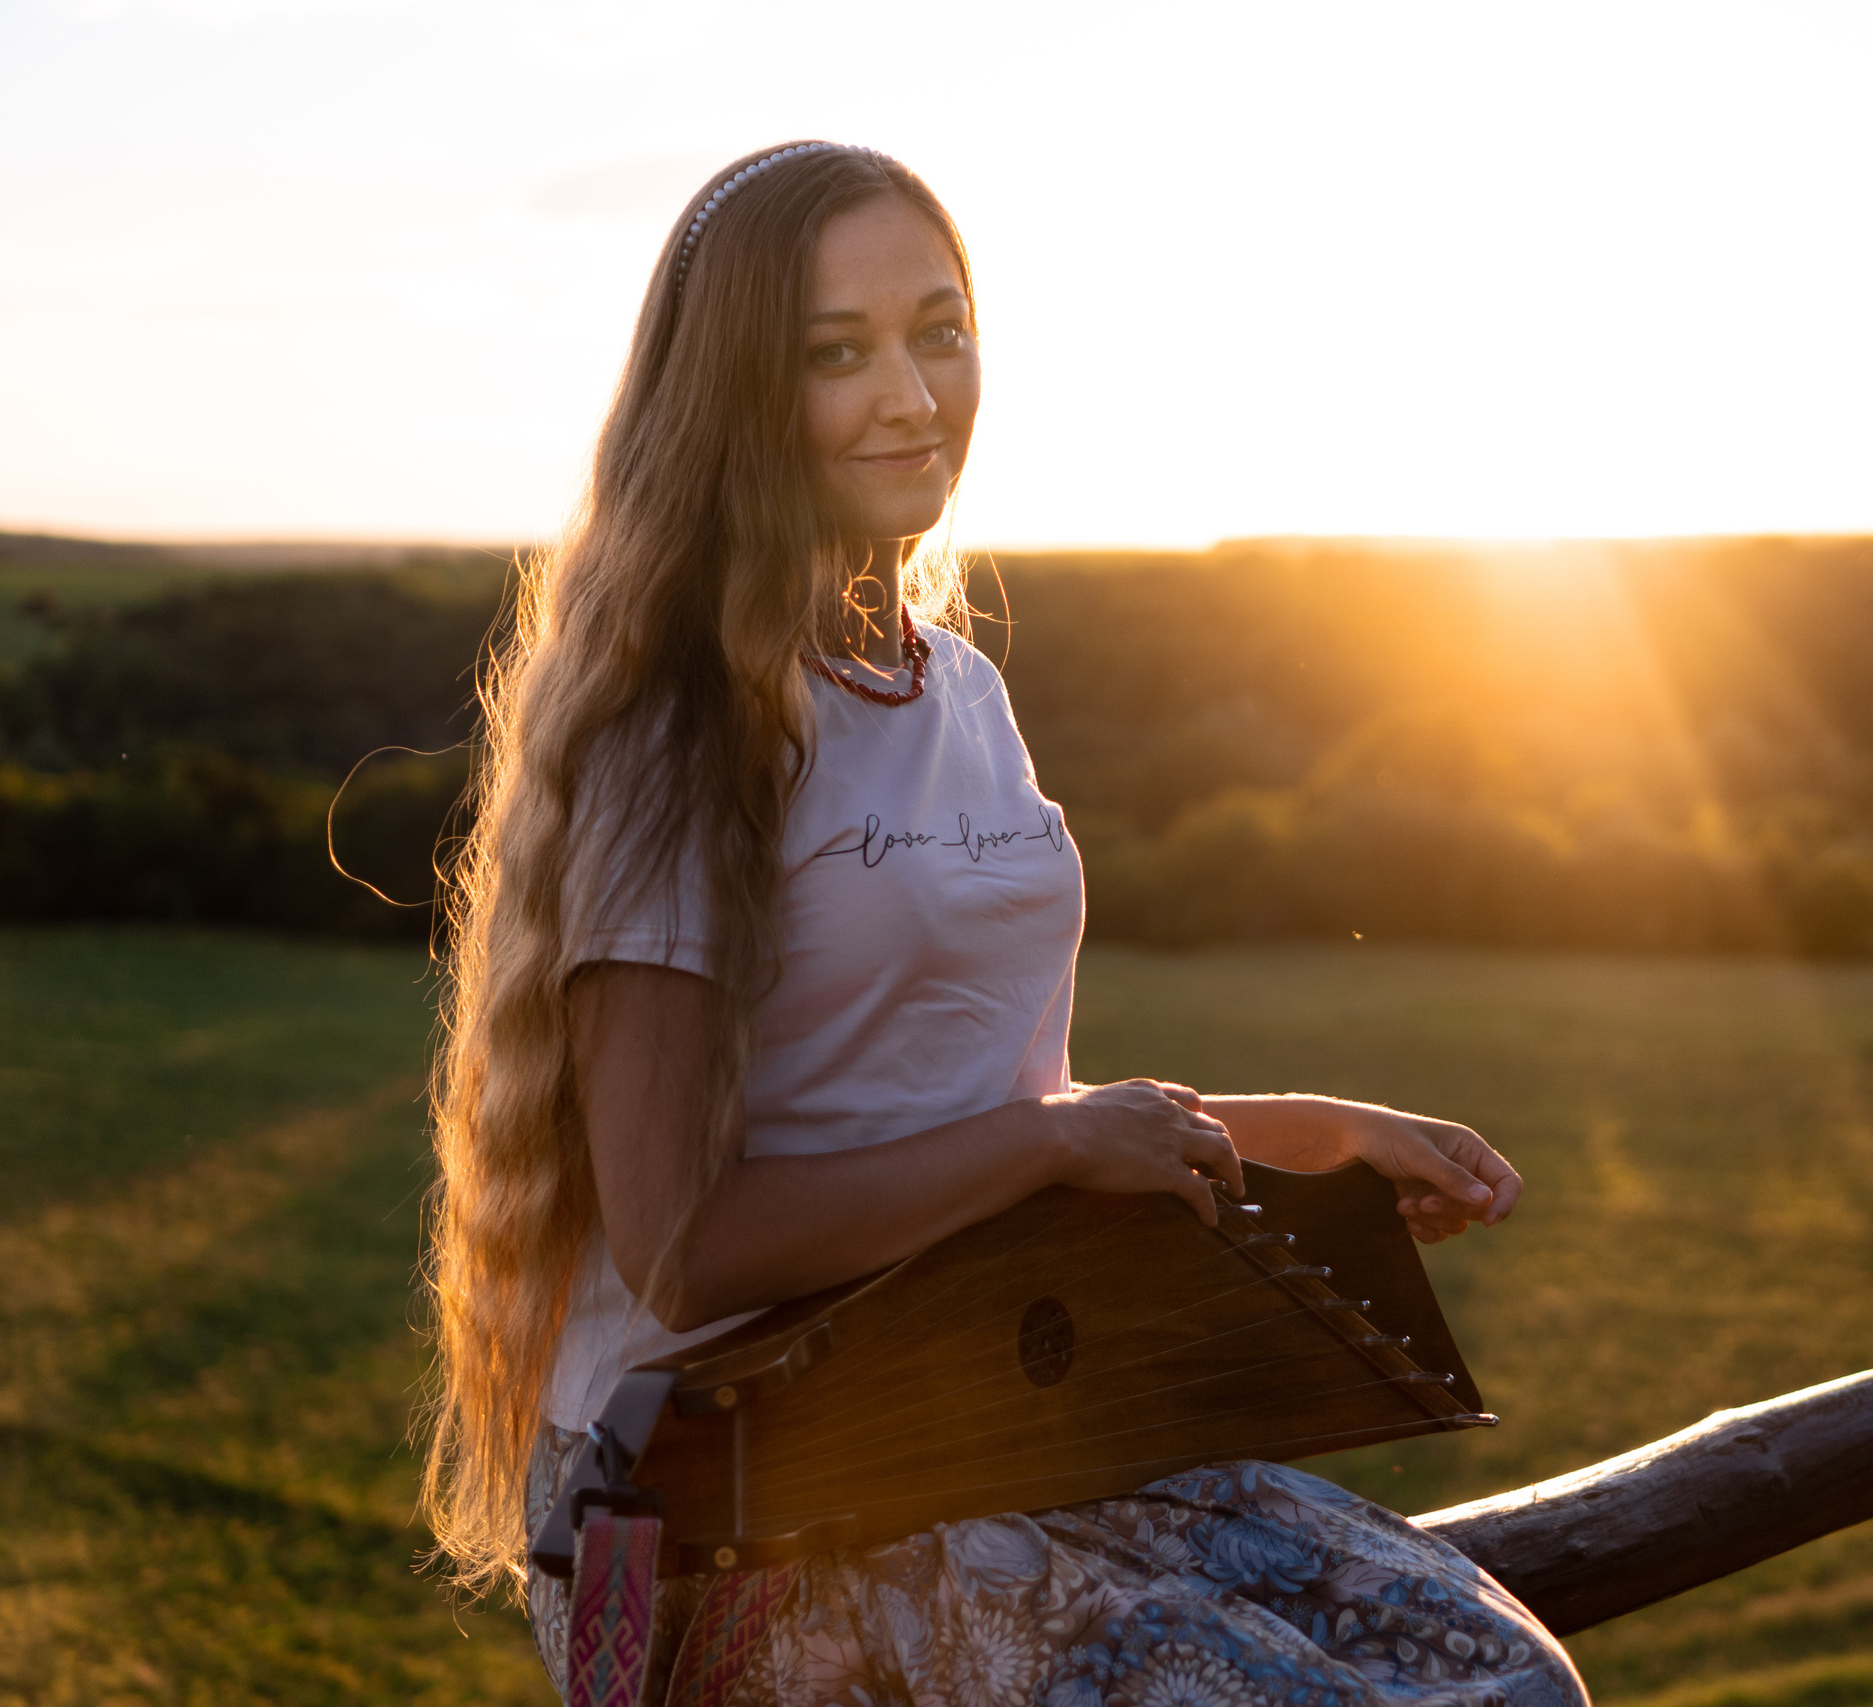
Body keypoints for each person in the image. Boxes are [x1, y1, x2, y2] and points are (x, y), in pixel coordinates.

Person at [421, 140, 1588, 1707]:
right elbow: (686, 1250)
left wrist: (1313, 1135)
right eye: (838, 353)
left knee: (1502, 1681)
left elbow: (984, 1110)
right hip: (762, 1501)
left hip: (996, 1416)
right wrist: (1045, 1152)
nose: (912, 395)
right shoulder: (680, 733)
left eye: (941, 330)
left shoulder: (955, 687)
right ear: (733, 399)